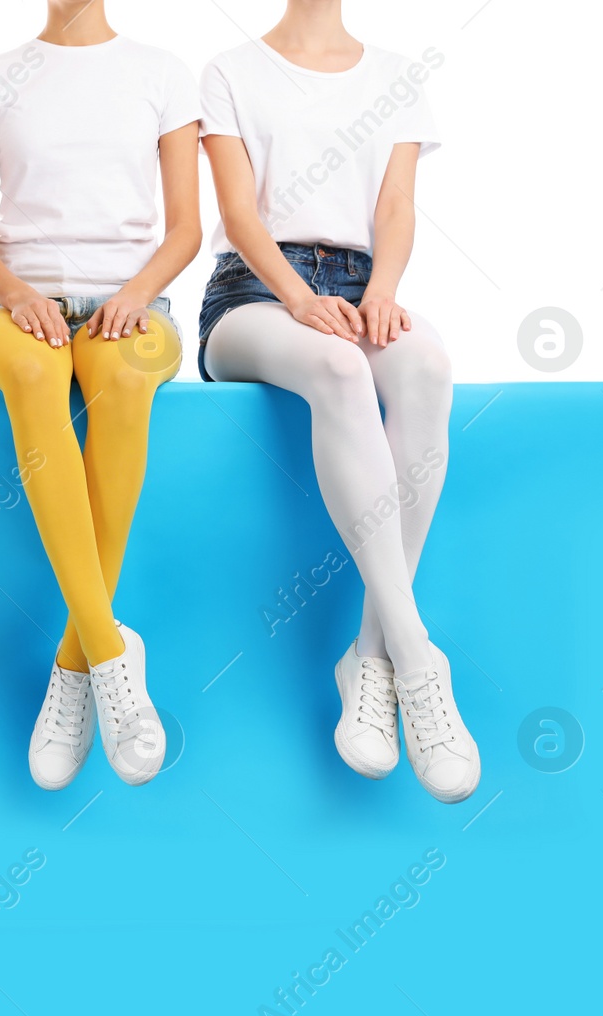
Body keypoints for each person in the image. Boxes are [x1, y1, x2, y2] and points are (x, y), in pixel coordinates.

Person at [197, 0, 480, 802]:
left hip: (360, 286)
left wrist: (384, 291)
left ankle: (371, 654)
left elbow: (394, 209)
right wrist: (294, 296)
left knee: (424, 366)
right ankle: (420, 657)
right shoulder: (229, 72)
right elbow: (238, 214)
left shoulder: (396, 76)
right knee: (340, 370)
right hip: (253, 295)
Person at [0, 0, 202, 790]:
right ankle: (111, 652)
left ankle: (74, 667)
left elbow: (188, 229)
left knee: (127, 379)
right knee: (32, 374)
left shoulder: (162, 74)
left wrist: (134, 294)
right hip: (10, 307)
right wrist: (19, 294)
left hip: (138, 305)